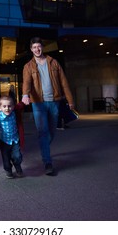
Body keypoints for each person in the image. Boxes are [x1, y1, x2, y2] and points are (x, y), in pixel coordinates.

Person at [22, 37, 74, 176]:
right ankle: (47, 162)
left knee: (52, 132)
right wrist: (25, 95)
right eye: (34, 47)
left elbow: (64, 82)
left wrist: (70, 100)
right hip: (38, 103)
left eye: (39, 47)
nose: (37, 49)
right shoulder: (28, 66)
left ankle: (44, 148)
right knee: (43, 132)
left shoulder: (53, 62)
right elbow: (26, 82)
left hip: (54, 102)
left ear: (42, 47)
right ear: (31, 49)